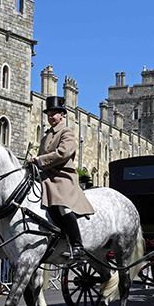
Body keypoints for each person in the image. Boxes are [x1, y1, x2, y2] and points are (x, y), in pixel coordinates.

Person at [31, 96, 94, 259]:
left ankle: (77, 245)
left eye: (54, 114)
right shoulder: (45, 137)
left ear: (62, 115)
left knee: (63, 207)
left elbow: (63, 153)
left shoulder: (67, 133)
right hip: (45, 177)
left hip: (62, 177)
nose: (51, 117)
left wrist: (40, 160)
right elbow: (40, 157)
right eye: (49, 114)